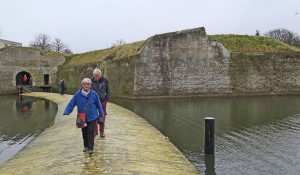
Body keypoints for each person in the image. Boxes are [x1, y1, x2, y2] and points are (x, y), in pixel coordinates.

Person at [63, 78, 105, 155]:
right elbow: (72, 103)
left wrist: (101, 113)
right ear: (82, 85)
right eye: (85, 84)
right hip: (82, 117)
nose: (86, 86)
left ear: (90, 85)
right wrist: (67, 111)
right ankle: (85, 146)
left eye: (88, 84)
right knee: (84, 132)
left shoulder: (94, 94)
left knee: (91, 131)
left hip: (92, 116)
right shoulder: (77, 94)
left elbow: (98, 104)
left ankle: (91, 148)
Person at [91, 68, 111, 138]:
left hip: (102, 101)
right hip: (93, 102)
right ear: (93, 75)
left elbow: (108, 89)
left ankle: (102, 132)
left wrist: (107, 98)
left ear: (100, 75)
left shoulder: (105, 80)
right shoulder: (90, 81)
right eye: (95, 76)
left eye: (98, 76)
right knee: (93, 116)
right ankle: (95, 131)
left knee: (102, 116)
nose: (96, 77)